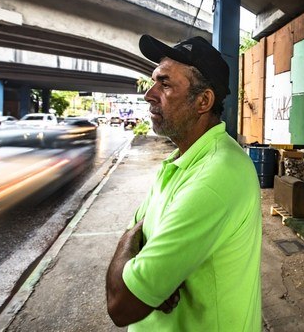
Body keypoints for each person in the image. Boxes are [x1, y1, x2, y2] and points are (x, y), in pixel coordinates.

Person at [106, 34, 262, 331]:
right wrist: (153, 272)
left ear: (203, 101)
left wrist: (128, 243)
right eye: (154, 82)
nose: (149, 94)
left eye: (165, 84)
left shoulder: (217, 176)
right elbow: (140, 227)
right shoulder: (182, 160)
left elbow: (122, 305)